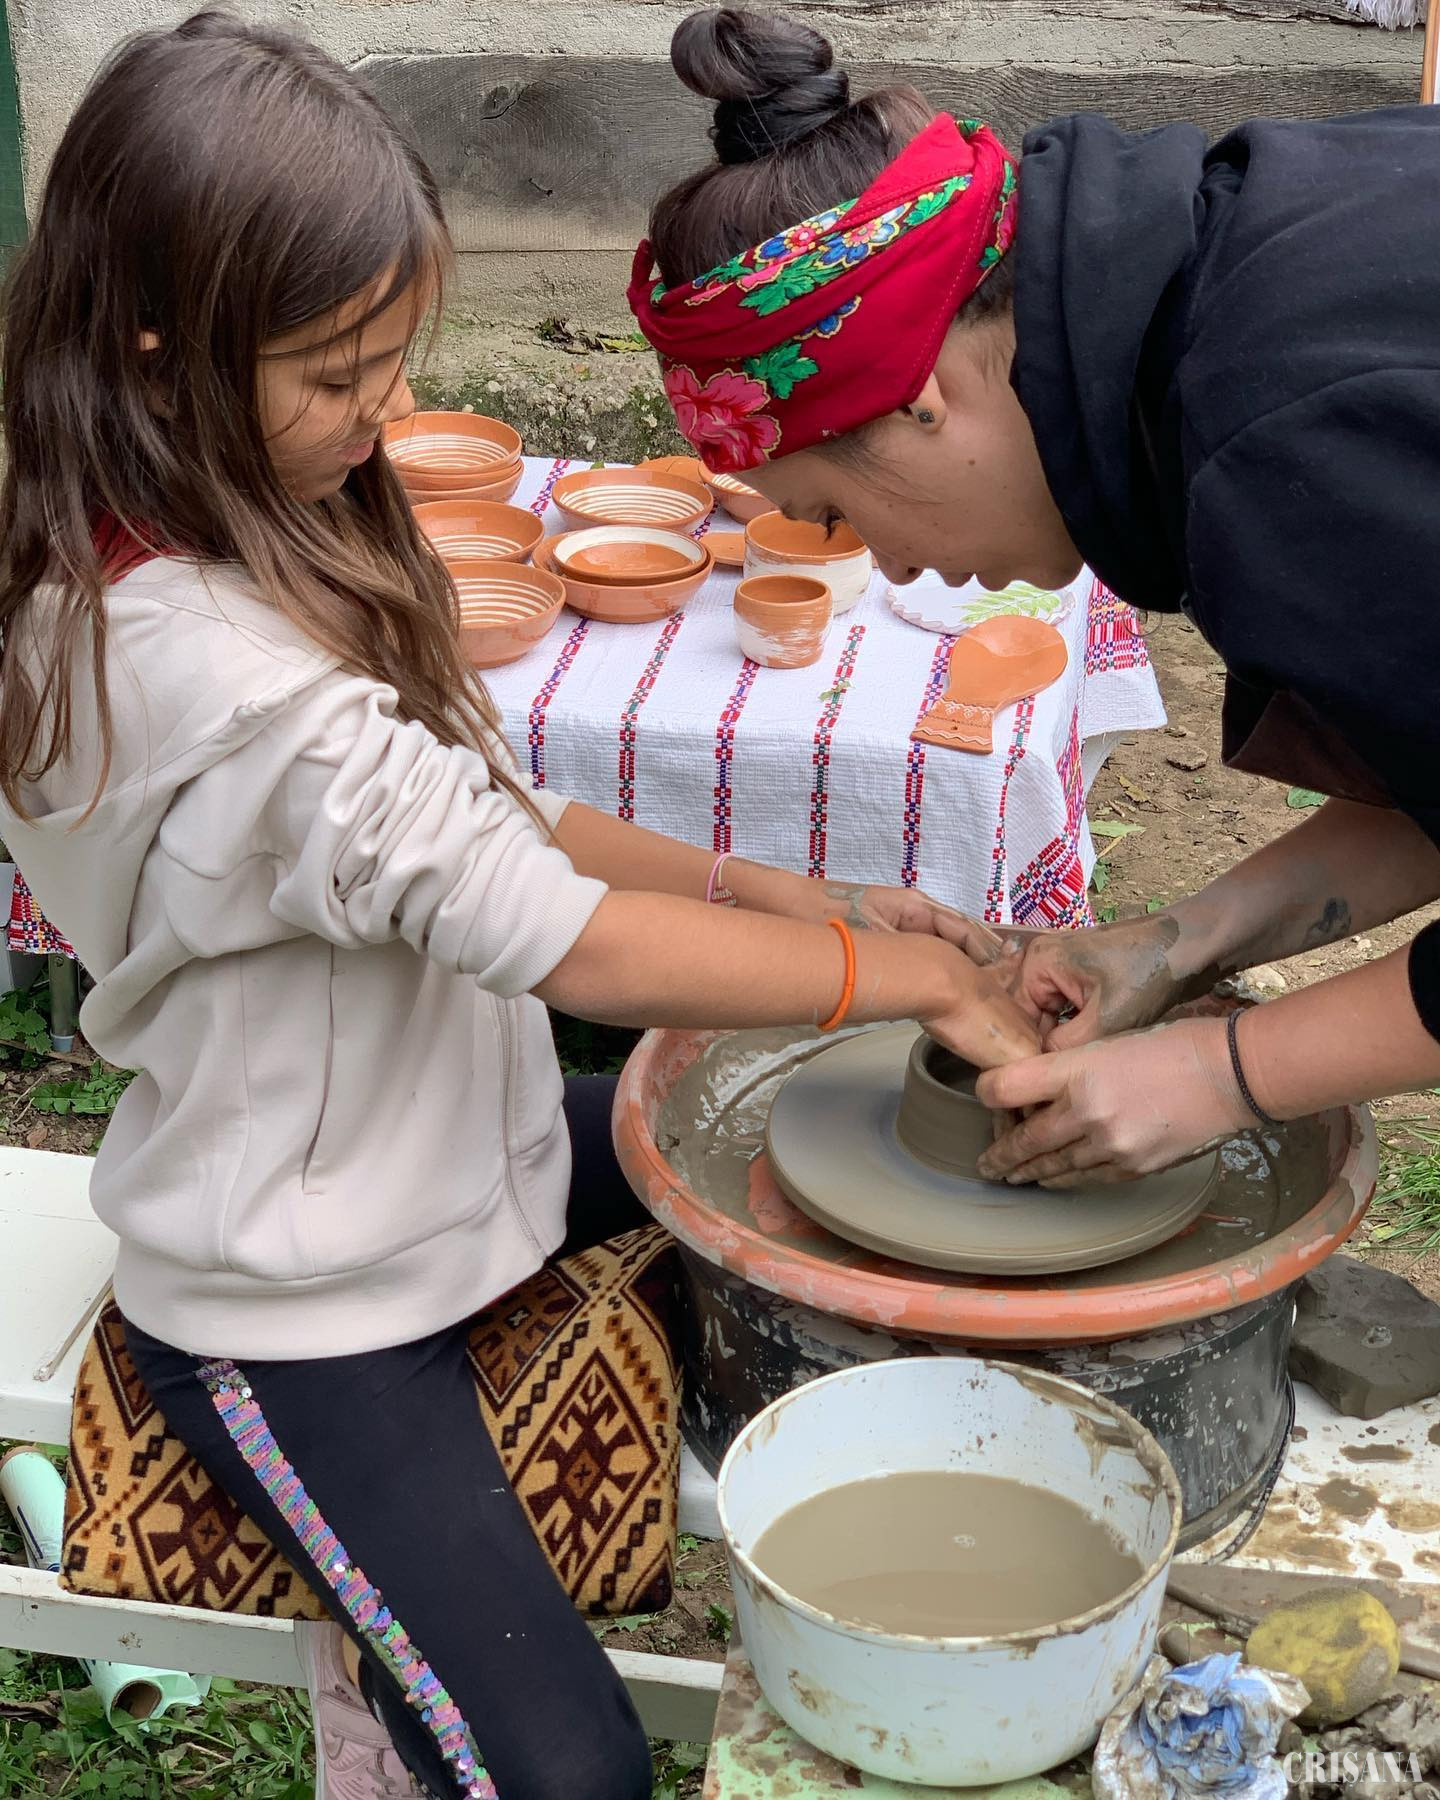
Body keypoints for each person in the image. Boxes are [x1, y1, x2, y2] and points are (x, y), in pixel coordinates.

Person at [0, 14, 1039, 1799]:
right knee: (569, 1774)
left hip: (468, 1145)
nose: (388, 411)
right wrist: (908, 981)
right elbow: (569, 939)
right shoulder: (195, 670)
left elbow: (509, 811)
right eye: (340, 371)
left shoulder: (267, 504)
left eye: (395, 358)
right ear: (160, 344)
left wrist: (806, 894)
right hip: (301, 1299)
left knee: (820, 1146)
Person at [632, 6, 1440, 1190]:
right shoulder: (1219, 273)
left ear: (919, 396)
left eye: (836, 515)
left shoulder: (1284, 447)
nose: (885, 569)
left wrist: (1233, 1070)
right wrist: (1175, 948)